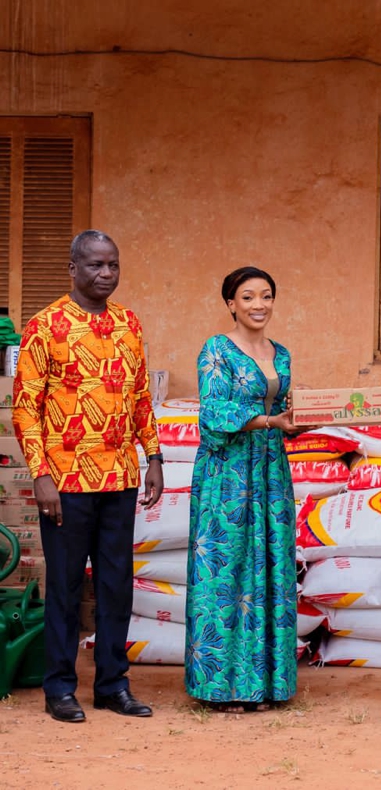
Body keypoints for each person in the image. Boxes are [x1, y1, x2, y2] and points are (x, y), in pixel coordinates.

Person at [13, 229, 164, 723]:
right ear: (72, 269)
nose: (106, 274)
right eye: (96, 265)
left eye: (113, 265)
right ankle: (59, 687)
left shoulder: (128, 323)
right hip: (65, 484)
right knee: (65, 586)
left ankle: (111, 685)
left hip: (119, 477)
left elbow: (141, 396)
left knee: (118, 585)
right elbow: (26, 408)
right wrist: (40, 475)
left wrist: (155, 457)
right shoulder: (45, 325)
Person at [184, 267, 308, 712]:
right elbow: (215, 413)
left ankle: (267, 685)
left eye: (267, 296)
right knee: (225, 570)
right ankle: (221, 688)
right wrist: (272, 421)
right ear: (231, 304)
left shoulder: (282, 354)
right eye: (248, 297)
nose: (259, 304)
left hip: (271, 470)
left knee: (271, 568)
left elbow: (283, 411)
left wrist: (296, 423)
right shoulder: (216, 350)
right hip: (228, 473)